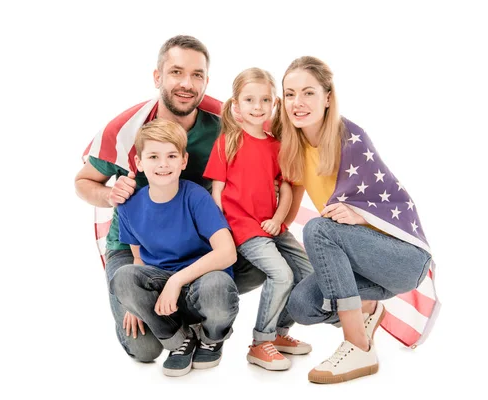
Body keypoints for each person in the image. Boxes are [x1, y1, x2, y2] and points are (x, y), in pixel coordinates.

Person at [74, 35, 265, 363]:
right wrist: (109, 193)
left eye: (197, 75)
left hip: (199, 240)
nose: (187, 83)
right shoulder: (124, 129)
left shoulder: (225, 123)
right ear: (158, 77)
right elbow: (83, 182)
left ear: (206, 80)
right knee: (144, 349)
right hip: (137, 247)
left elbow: (263, 159)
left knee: (264, 259)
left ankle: (194, 306)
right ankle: (174, 316)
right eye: (176, 72)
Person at [273, 56, 435, 384]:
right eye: (289, 94)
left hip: (402, 257)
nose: (297, 103)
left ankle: (358, 346)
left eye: (308, 93)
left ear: (328, 97)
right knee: (302, 305)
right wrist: (275, 233)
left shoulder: (350, 137)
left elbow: (389, 202)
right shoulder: (295, 144)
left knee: (319, 228)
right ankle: (367, 310)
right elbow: (246, 113)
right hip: (361, 265)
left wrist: (359, 215)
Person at [203, 68, 314, 371]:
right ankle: (259, 343)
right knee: (281, 274)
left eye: (265, 99)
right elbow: (218, 191)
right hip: (243, 227)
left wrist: (278, 220)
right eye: (250, 99)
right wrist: (221, 231)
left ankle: (279, 332)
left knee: (306, 275)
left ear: (274, 103)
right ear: (236, 105)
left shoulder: (276, 145)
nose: (258, 106)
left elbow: (288, 188)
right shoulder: (228, 142)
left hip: (272, 226)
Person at [110, 119, 238, 377]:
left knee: (218, 285)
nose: (163, 164)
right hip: (161, 291)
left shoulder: (195, 196)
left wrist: (177, 281)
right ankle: (179, 341)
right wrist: (134, 304)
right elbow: (137, 258)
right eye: (154, 156)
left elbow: (227, 252)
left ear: (183, 160)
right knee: (122, 278)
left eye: (171, 155)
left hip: (200, 283)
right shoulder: (128, 207)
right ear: (139, 163)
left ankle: (211, 337)